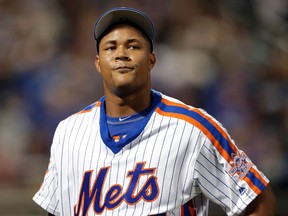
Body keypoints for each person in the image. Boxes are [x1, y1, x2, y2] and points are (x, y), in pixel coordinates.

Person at [33, 7, 276, 216]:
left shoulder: (192, 127)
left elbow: (258, 201)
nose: (121, 54)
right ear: (98, 62)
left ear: (151, 60)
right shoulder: (68, 132)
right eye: (110, 47)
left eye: (133, 46)